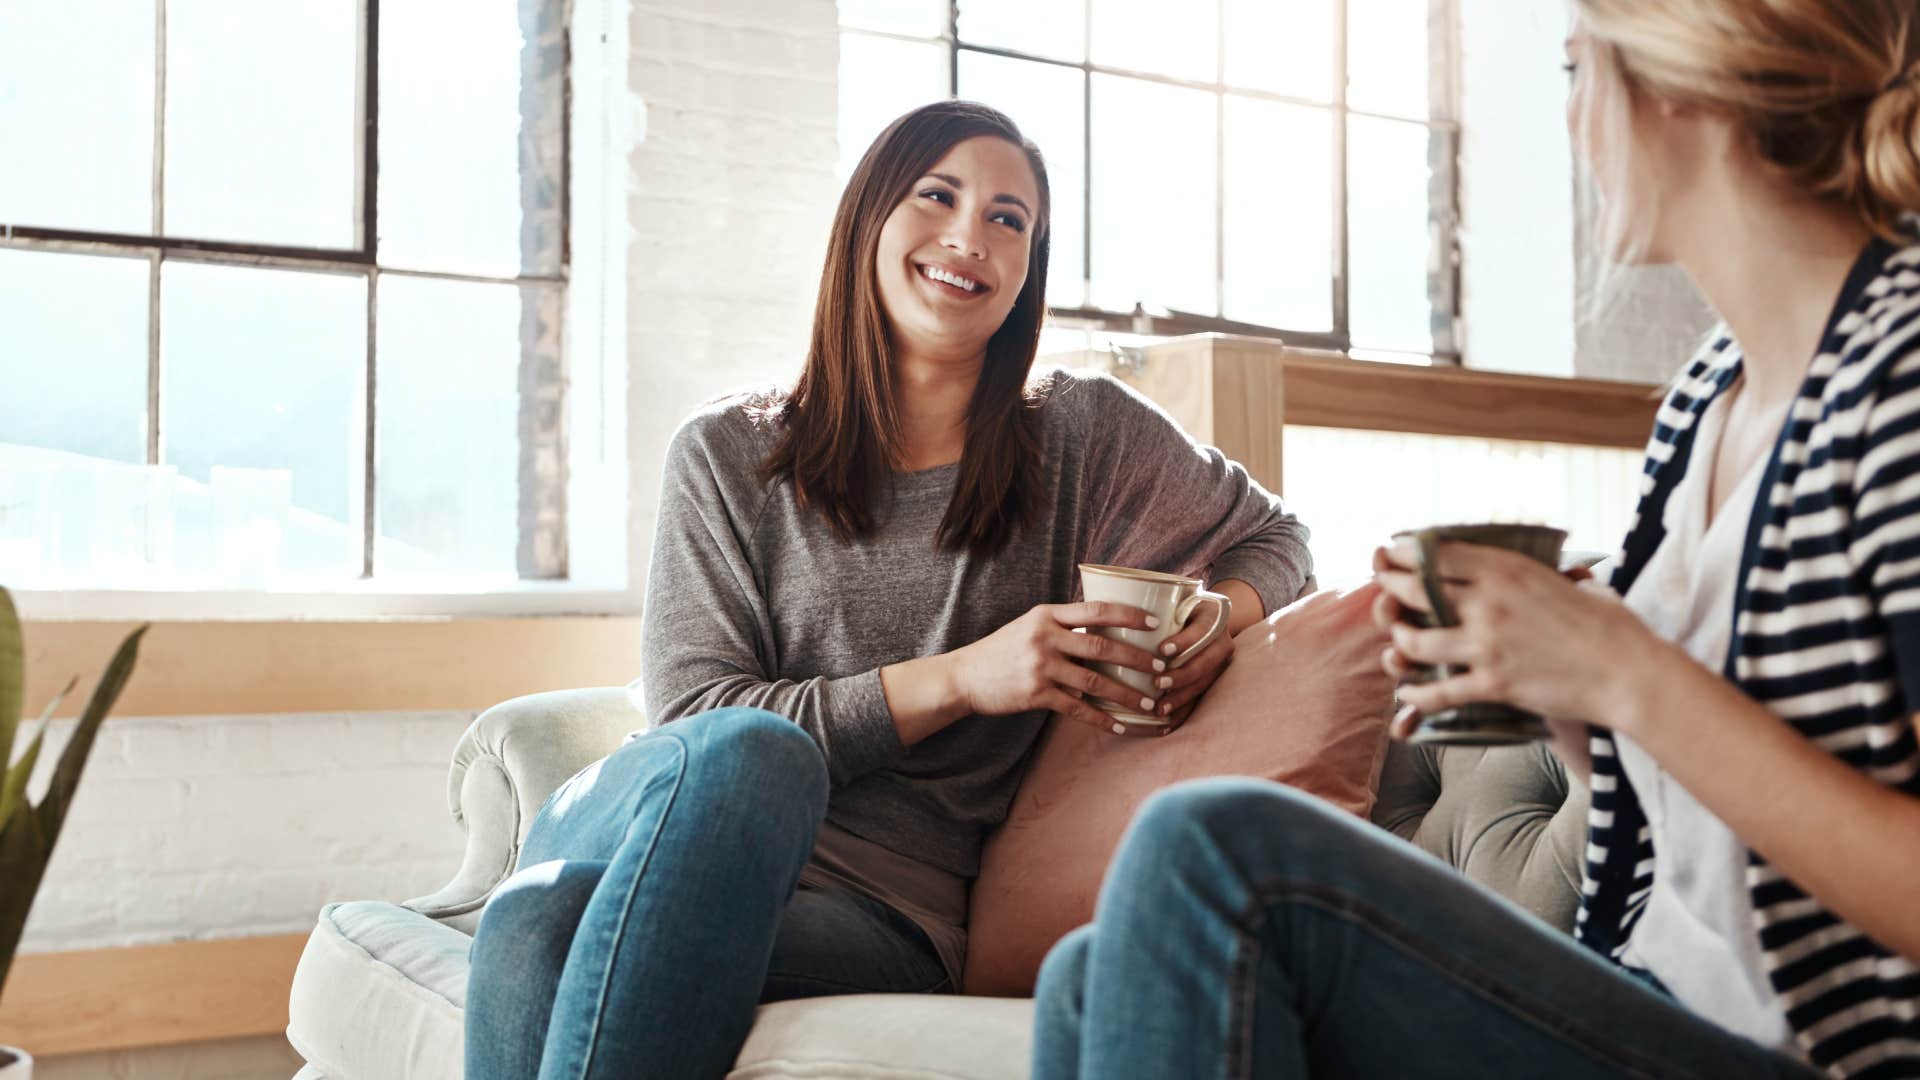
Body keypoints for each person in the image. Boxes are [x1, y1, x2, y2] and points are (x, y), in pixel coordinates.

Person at [1031, 1, 1920, 1077]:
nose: (1572, 119)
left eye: (1572, 68)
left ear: (1684, 78)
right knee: (1092, 973)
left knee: (1211, 852)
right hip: (1655, 994)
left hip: (1826, 1053)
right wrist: (1554, 681)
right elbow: (1674, 808)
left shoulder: (1899, 381)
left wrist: (1626, 670)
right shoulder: (1709, 396)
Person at [462, 100, 1313, 1080]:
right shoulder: (727, 453)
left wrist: (1223, 614)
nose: (968, 236)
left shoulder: (1083, 436)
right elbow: (694, 720)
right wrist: (964, 680)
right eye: (938, 195)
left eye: (1008, 219)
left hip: (887, 913)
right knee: (752, 757)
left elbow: (1277, 539)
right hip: (656, 829)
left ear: (1027, 267)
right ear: (869, 217)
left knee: (536, 925)